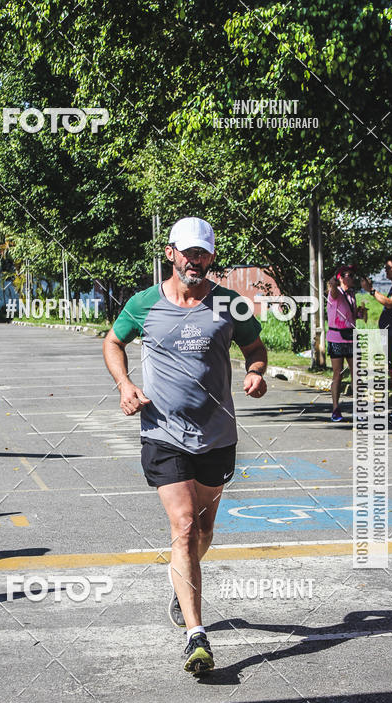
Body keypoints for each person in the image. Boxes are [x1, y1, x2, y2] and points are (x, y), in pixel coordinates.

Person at [102, 216, 268, 676]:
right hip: (162, 433)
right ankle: (197, 635)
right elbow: (113, 342)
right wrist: (124, 384)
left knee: (205, 528)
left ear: (211, 257)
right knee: (183, 527)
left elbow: (255, 348)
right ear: (171, 253)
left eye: (204, 254)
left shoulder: (230, 304)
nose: (195, 261)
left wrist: (256, 371)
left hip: (216, 434)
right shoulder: (144, 303)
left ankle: (181, 586)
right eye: (188, 252)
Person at [360, 254, 392, 427]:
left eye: (389, 267)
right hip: (390, 336)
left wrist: (371, 291)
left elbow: (389, 303)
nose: (386, 271)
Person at [326, 266, 366, 422]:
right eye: (348, 275)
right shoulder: (335, 293)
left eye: (352, 275)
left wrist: (360, 313)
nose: (352, 278)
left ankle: (358, 409)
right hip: (336, 337)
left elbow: (351, 314)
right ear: (341, 278)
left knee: (356, 373)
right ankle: (335, 409)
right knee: (338, 374)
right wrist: (333, 283)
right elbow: (334, 290)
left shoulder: (351, 294)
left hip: (350, 336)